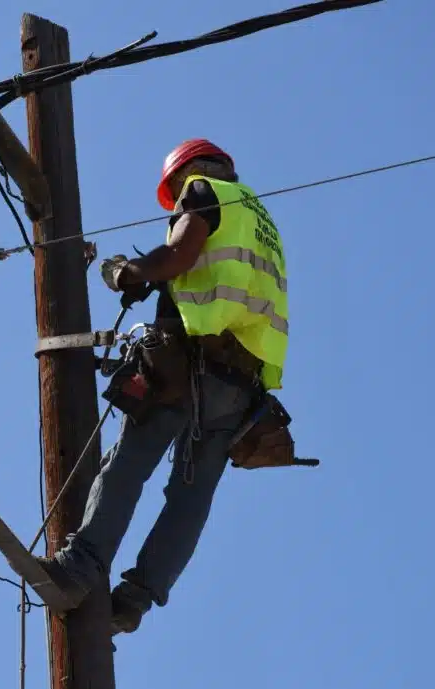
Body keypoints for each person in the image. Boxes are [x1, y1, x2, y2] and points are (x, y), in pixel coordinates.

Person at [35, 138, 290, 637]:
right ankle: (132, 601)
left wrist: (128, 272)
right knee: (190, 497)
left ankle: (79, 569)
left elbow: (177, 254)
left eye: (173, 191)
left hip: (189, 363)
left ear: (189, 171)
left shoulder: (203, 190)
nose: (175, 201)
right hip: (242, 387)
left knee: (129, 462)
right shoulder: (263, 221)